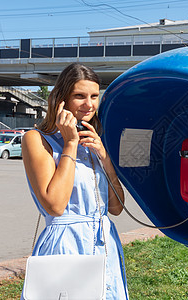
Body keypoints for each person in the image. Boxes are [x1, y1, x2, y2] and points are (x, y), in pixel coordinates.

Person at [21, 63, 128, 299]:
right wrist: (69, 143)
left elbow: (117, 207)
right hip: (66, 244)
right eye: (79, 96)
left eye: (94, 96)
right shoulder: (38, 140)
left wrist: (105, 158)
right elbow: (55, 205)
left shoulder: (95, 140)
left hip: (104, 242)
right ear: (61, 100)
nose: (89, 104)